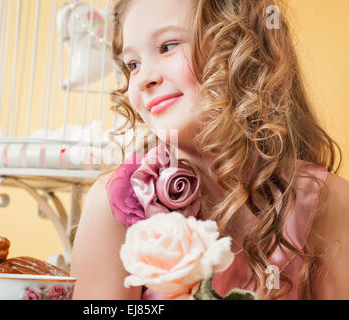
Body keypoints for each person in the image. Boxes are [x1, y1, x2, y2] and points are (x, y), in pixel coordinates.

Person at [70, 0, 349, 299]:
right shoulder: (117, 204)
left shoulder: (326, 201)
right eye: (133, 64)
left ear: (244, 49)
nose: (144, 79)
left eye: (167, 46)